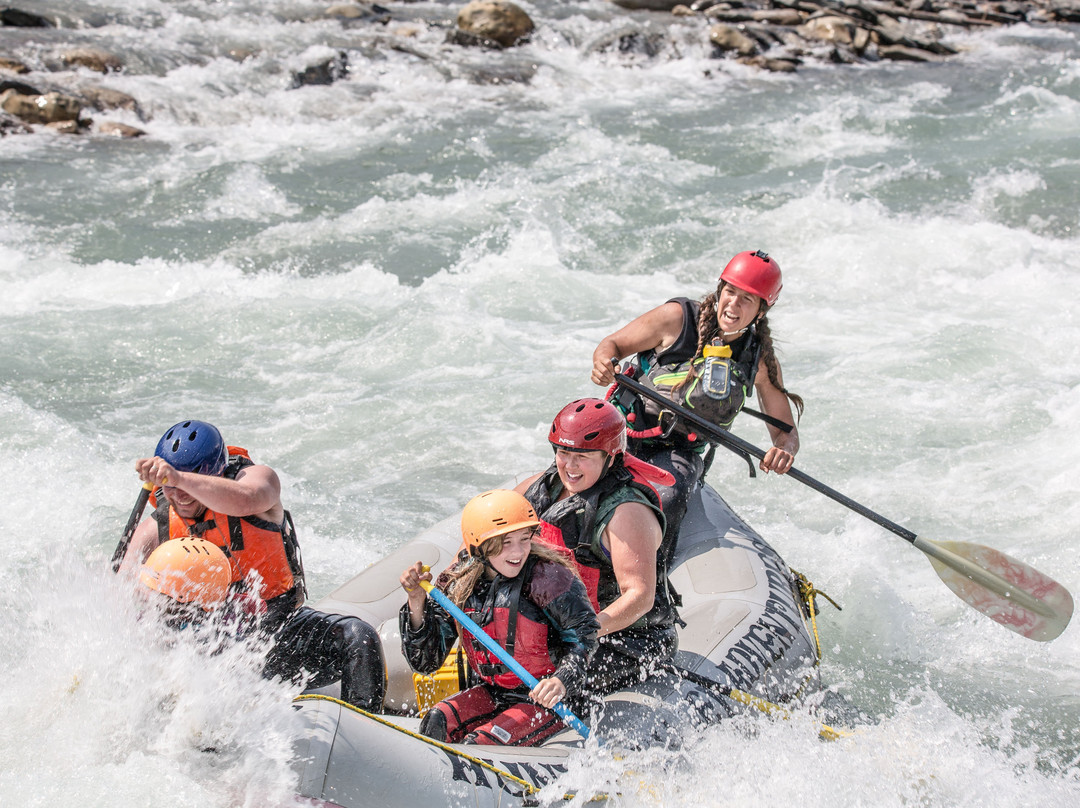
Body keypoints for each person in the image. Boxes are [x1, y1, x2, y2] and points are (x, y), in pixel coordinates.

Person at [590, 249, 804, 552]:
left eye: (747, 299)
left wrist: (784, 450)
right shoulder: (677, 318)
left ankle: (644, 583)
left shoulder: (759, 359)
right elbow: (611, 345)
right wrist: (603, 364)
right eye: (730, 291)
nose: (734, 303)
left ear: (760, 310)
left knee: (670, 498)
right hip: (623, 432)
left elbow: (786, 431)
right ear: (720, 290)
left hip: (679, 452)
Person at [399, 489, 599, 746]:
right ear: (479, 547)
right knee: (435, 720)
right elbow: (425, 662)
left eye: (524, 539)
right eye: (505, 542)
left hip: (548, 700)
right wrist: (416, 602)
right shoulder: (458, 582)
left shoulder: (549, 579)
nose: (518, 552)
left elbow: (584, 638)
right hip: (493, 692)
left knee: (480, 745)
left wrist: (561, 681)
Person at [515, 398, 678, 704]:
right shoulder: (539, 487)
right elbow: (484, 534)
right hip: (557, 625)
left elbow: (639, 596)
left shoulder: (627, 512)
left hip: (625, 638)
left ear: (609, 457)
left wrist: (582, 632)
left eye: (583, 456)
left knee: (537, 684)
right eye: (564, 453)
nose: (570, 466)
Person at [138, 536, 387, 713]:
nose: (154, 602)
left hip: (270, 670)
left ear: (191, 601)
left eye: (164, 597)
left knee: (359, 635)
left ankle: (362, 725)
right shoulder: (148, 631)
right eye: (154, 593)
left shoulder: (230, 621)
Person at [120, 419, 306, 632]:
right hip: (213, 636)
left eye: (188, 484)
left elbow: (248, 499)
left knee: (352, 632)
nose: (180, 496)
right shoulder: (159, 525)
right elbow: (121, 585)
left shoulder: (257, 480)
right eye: (169, 486)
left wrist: (180, 479)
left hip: (282, 623)